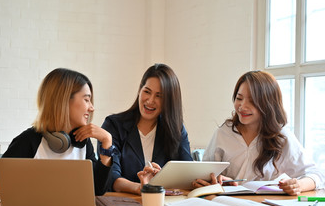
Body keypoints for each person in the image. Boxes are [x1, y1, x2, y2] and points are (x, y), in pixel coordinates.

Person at [0, 68, 115, 206]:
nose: (92, 108)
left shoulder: (81, 142)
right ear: (63, 100)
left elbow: (98, 189)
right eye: (86, 99)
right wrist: (2, 205)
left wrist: (107, 142)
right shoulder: (29, 140)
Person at [193, 70, 325, 195]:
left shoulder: (281, 137)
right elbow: (204, 176)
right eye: (239, 98)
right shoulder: (223, 133)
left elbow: (316, 175)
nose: (242, 107)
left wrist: (298, 185)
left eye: (252, 101)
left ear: (268, 104)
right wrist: (216, 181)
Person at [98, 63, 193, 195]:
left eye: (159, 96)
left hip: (164, 205)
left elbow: (188, 173)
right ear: (139, 90)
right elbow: (112, 178)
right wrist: (142, 188)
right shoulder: (113, 125)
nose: (150, 100)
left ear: (169, 101)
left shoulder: (176, 129)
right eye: (147, 92)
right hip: (124, 204)